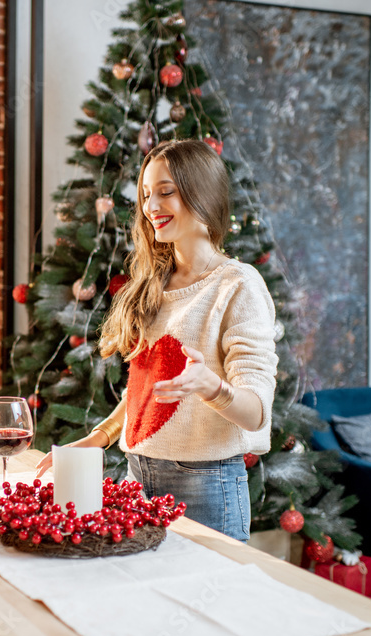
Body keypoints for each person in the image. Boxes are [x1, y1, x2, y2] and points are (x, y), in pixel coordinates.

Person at [36, 139, 278, 542]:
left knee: (204, 602)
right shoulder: (154, 285)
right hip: (139, 472)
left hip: (205, 486)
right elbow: (146, 391)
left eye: (166, 192)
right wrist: (100, 438)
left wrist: (211, 387)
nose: (150, 207)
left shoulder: (238, 285)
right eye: (146, 194)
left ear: (203, 193)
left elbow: (255, 414)